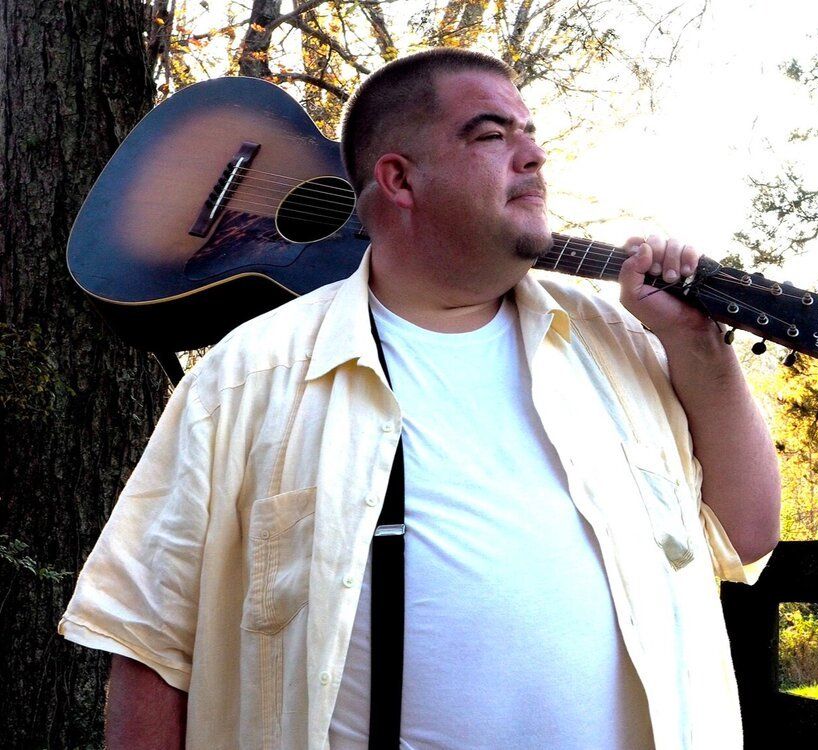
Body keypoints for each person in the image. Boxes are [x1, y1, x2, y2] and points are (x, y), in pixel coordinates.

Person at [59, 48, 780, 749]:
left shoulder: (622, 343)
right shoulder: (244, 380)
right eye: (492, 136)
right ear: (399, 179)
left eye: (530, 134)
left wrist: (700, 345)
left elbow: (746, 535)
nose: (533, 156)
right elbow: (150, 644)